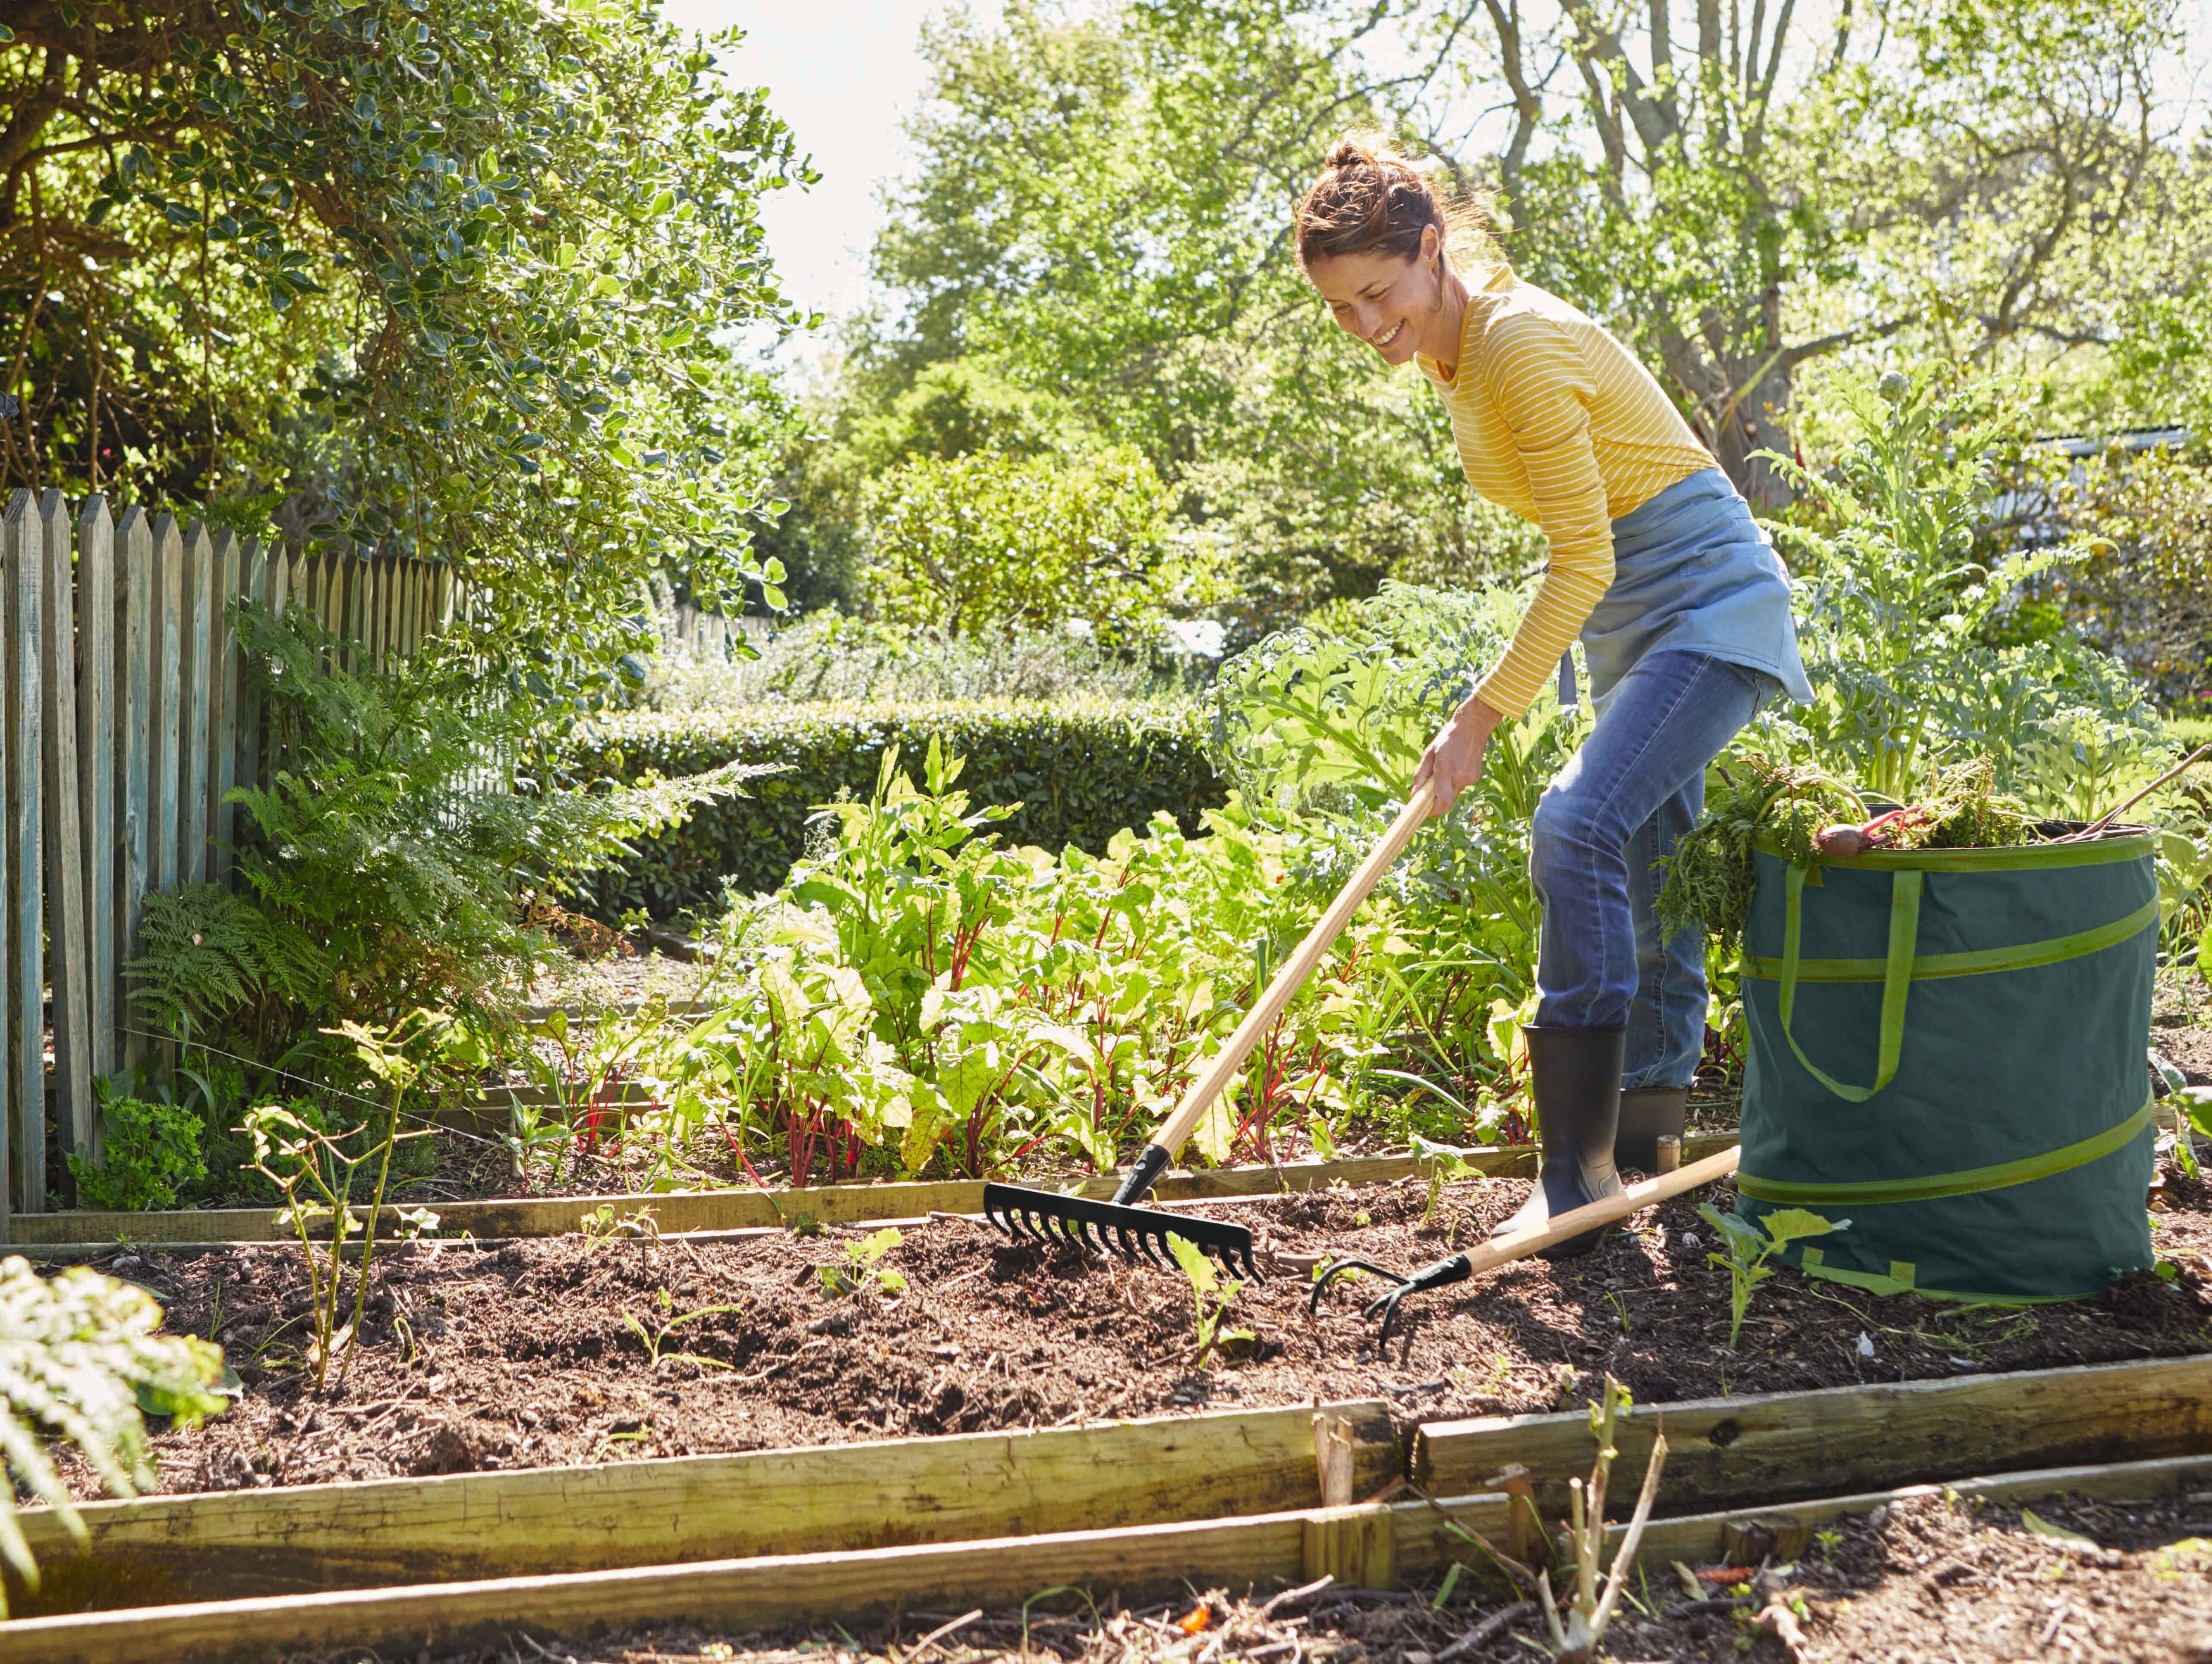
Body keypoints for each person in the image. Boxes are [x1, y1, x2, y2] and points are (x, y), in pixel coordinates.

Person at [1296, 134, 1811, 1281]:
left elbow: (1578, 559)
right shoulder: (1454, 354)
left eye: (1380, 292)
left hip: (1705, 605)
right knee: (1650, 864)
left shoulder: (1514, 348)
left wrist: (1480, 717)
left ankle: (1576, 1180)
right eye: (1344, 310)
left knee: (1575, 824)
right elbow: (1585, 556)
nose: (1369, 324)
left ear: (1432, 251)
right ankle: (1642, 1147)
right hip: (1640, 619)